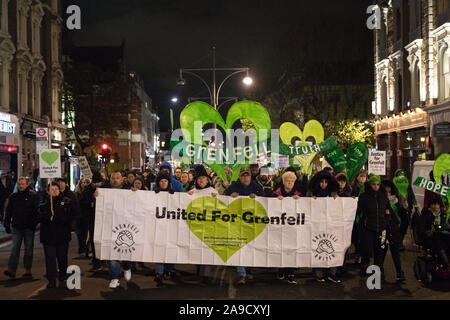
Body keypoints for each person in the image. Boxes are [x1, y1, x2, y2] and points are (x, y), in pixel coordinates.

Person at [225, 167, 264, 284]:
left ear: (250, 177)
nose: (245, 178)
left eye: (247, 176)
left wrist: (258, 197)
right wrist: (229, 196)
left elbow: (266, 199)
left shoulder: (257, 187)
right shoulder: (232, 187)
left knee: (250, 247)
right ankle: (242, 273)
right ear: (239, 177)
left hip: (252, 223)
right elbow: (223, 198)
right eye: (243, 176)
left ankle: (248, 271)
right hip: (236, 222)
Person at [3, 177, 40, 278]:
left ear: (27, 184)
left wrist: (33, 224)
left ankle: (28, 269)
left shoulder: (33, 196)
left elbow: (37, 212)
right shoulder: (13, 196)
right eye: (19, 184)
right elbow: (9, 211)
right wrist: (7, 224)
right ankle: (11, 269)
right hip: (17, 226)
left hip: (29, 227)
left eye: (23, 184)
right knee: (15, 248)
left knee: (28, 249)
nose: (21, 186)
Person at [307, 170, 340, 283]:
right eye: (321, 182)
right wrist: (311, 200)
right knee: (317, 247)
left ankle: (331, 273)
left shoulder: (333, 194)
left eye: (326, 182)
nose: (324, 184)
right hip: (316, 225)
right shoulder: (311, 193)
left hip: (330, 225)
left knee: (332, 247)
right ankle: (318, 272)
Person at [39, 182, 73, 288]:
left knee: (62, 257)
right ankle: (51, 279)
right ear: (48, 191)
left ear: (59, 190)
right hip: (48, 236)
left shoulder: (66, 201)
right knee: (50, 258)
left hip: (62, 235)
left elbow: (71, 216)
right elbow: (38, 216)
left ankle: (62, 275)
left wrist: (58, 218)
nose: (54, 191)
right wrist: (47, 215)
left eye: (56, 189)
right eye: (52, 189)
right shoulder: (43, 202)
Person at [357, 174, 390, 280]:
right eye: (373, 184)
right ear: (370, 185)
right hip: (368, 227)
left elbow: (388, 209)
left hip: (381, 227)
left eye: (378, 184)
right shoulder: (364, 196)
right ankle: (364, 266)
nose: (376, 186)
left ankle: (378, 269)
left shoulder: (383, 196)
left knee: (379, 250)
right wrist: (360, 222)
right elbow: (359, 211)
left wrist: (387, 218)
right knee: (366, 249)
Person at [105, 171, 132, 289]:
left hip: (125, 225)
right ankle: (115, 277)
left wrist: (135, 193)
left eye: (117, 178)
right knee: (112, 252)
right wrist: (95, 195)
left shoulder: (128, 190)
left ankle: (127, 267)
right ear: (110, 179)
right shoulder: (104, 190)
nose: (115, 180)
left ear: (122, 179)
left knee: (125, 248)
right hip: (110, 225)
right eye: (113, 178)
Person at [273, 171, 300, 284]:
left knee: (292, 249)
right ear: (283, 182)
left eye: (292, 181)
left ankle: (290, 272)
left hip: (293, 227)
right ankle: (281, 270)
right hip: (280, 226)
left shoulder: (299, 194)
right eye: (287, 180)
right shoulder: (276, 193)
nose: (289, 182)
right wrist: (276, 200)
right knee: (281, 248)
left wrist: (298, 199)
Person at [381, 180, 406, 283]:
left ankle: (399, 273)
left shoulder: (396, 200)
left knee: (395, 252)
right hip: (383, 229)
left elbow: (402, 216)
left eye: (389, 187)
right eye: (385, 187)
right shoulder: (380, 200)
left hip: (394, 229)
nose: (387, 189)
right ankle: (379, 271)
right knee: (381, 252)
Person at [80, 171, 105, 270]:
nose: (98, 185)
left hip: (103, 220)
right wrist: (92, 198)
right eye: (96, 183)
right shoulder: (87, 191)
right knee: (94, 241)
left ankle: (103, 259)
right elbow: (83, 203)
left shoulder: (105, 188)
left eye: (99, 183)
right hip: (92, 220)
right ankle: (96, 260)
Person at [154, 171, 175, 286]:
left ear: (168, 182)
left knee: (170, 249)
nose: (163, 183)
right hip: (158, 226)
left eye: (165, 181)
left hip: (171, 227)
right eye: (161, 181)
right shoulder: (153, 194)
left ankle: (168, 269)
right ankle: (159, 273)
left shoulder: (174, 195)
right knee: (159, 249)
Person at [418, 198, 450, 269]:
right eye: (433, 204)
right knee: (437, 238)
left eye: (437, 204)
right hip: (429, 238)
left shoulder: (443, 215)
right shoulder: (425, 215)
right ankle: (446, 263)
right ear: (430, 205)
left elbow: (446, 226)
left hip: (442, 235)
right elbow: (422, 230)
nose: (435, 206)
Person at [394, 169, 417, 251]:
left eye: (402, 175)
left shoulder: (407, 185)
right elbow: (394, 197)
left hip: (407, 209)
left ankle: (400, 241)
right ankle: (398, 243)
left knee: (405, 225)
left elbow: (411, 195)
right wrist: (399, 203)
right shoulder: (395, 186)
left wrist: (413, 204)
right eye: (399, 175)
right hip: (398, 209)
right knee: (399, 226)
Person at [351, 169, 368, 265]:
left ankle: (363, 255)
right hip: (355, 215)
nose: (362, 178)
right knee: (357, 236)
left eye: (364, 176)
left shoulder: (367, 188)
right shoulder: (353, 188)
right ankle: (358, 255)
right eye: (361, 176)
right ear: (357, 177)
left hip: (364, 215)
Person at [74, 178, 90, 258]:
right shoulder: (76, 193)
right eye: (82, 182)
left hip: (86, 217)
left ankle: (85, 251)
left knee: (86, 235)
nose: (84, 184)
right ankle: (81, 250)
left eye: (85, 182)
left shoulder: (88, 193)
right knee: (79, 235)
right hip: (78, 217)